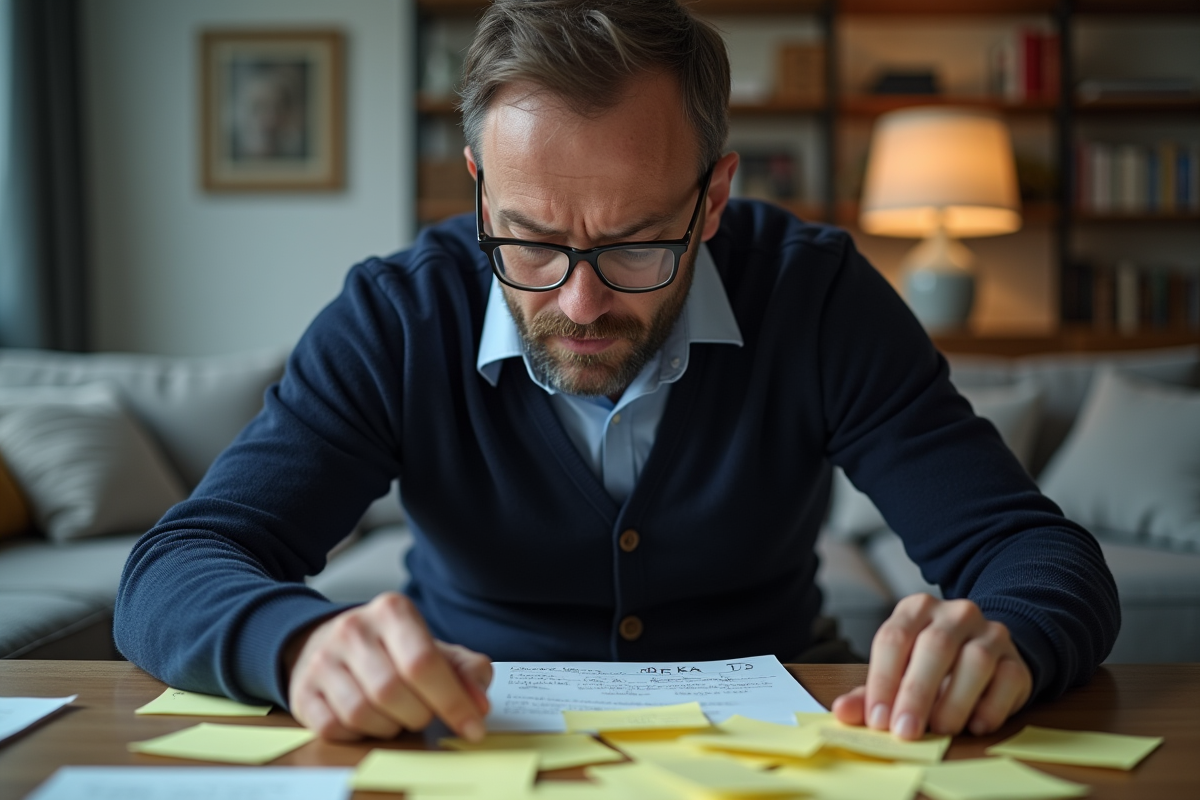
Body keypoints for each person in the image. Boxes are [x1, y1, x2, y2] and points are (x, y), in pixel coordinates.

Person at [115, 0, 1118, 747]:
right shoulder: (397, 315)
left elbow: (1037, 555)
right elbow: (173, 569)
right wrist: (297, 646)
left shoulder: (816, 298)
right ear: (478, 183)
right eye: (530, 240)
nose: (580, 304)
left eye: (638, 243)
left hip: (771, 752)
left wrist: (1007, 637)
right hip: (472, 745)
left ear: (716, 194)